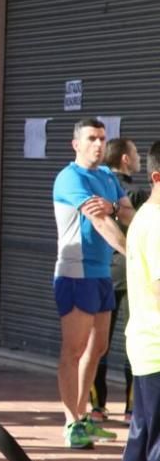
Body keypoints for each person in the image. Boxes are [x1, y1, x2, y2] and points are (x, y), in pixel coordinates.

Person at [52, 118, 134, 449]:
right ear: (76, 144)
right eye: (91, 139)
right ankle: (71, 422)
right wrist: (134, 254)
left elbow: (127, 212)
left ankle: (83, 415)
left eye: (102, 138)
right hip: (76, 272)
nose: (99, 144)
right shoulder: (70, 178)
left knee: (96, 348)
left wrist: (115, 205)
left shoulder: (106, 177)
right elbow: (100, 222)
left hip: (101, 273)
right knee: (73, 350)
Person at [116, 140, 160, 461]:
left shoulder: (145, 217)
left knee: (145, 433)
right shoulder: (158, 223)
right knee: (155, 438)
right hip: (157, 346)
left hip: (147, 343)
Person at [91, 138, 147, 425]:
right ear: (125, 159)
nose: (138, 158)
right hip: (130, 273)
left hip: (102, 272)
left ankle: (96, 406)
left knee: (98, 342)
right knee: (134, 340)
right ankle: (132, 408)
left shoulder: (95, 189)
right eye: (136, 154)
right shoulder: (135, 195)